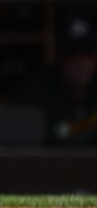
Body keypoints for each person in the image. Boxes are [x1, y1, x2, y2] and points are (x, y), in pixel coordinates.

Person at [18, 12, 97, 146]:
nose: (80, 62)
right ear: (58, 57)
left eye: (88, 53)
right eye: (71, 53)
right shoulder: (37, 91)